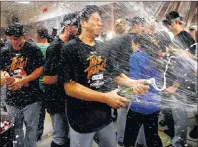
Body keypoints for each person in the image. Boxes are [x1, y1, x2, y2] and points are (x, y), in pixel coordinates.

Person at [60, 5, 149, 147]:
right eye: (95, 20)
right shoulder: (70, 48)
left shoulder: (103, 47)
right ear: (83, 22)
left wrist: (134, 83)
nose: (100, 23)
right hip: (81, 118)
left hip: (104, 115)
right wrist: (105, 97)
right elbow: (69, 87)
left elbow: (114, 73)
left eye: (100, 20)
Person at [0, 22, 44, 147]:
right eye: (12, 39)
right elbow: (2, 69)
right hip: (12, 98)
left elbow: (40, 69)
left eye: (17, 38)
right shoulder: (5, 51)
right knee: (16, 128)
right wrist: (4, 75)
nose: (15, 42)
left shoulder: (33, 49)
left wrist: (24, 80)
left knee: (31, 127)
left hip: (31, 97)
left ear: (23, 36)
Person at [43, 12, 80, 147]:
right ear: (68, 26)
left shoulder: (72, 44)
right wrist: (68, 78)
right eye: (76, 26)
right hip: (57, 99)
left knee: (70, 135)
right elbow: (47, 79)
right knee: (60, 137)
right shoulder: (55, 47)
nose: (78, 29)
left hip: (68, 98)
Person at [162, 11, 197, 147]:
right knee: (175, 114)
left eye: (169, 24)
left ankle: (178, 143)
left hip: (181, 84)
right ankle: (177, 138)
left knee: (179, 115)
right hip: (177, 81)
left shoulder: (184, 37)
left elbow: (186, 63)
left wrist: (175, 86)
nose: (169, 27)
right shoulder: (179, 38)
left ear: (176, 22)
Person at [123, 34, 163, 147]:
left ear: (137, 44)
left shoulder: (135, 57)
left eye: (132, 44)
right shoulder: (155, 55)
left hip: (139, 104)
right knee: (152, 136)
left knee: (130, 137)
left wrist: (123, 93)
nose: (132, 47)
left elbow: (135, 82)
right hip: (155, 104)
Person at [35, 25, 50, 141]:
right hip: (50, 83)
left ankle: (38, 133)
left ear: (38, 35)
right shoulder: (51, 47)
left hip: (37, 83)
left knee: (39, 112)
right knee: (53, 111)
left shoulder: (34, 48)